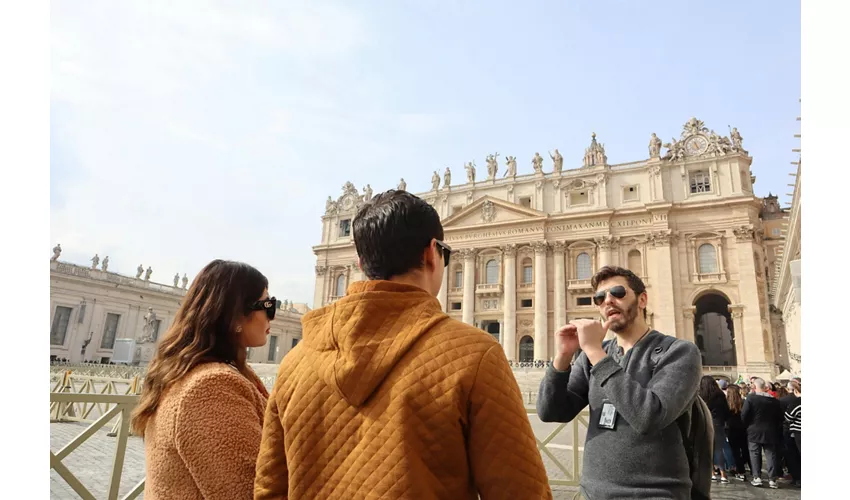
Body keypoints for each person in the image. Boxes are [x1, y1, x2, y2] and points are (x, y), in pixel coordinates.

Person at [254, 190, 551, 499]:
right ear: (431, 253)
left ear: (361, 261)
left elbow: (269, 488)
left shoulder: (295, 362)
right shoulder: (476, 356)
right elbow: (520, 490)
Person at [537, 266, 702, 500]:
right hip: (592, 493)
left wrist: (594, 351)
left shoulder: (679, 352)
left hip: (655, 494)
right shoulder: (593, 356)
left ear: (642, 299)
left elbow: (649, 416)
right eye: (600, 297)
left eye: (617, 292)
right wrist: (562, 358)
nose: (608, 301)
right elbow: (551, 411)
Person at [130, 260, 274, 500]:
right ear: (235, 315)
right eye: (267, 305)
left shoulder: (205, 375)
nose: (273, 316)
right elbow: (250, 492)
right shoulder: (211, 388)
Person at [742, 377, 783, 488]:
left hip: (754, 430)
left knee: (754, 453)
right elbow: (780, 417)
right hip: (770, 430)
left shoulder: (750, 398)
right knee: (771, 455)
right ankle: (772, 479)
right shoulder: (774, 401)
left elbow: (744, 415)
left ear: (754, 387)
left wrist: (748, 425)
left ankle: (757, 477)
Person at [699, 376, 731, 484]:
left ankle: (712, 473)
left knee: (707, 450)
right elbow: (727, 411)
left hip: (705, 423)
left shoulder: (702, 396)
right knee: (719, 449)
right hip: (718, 424)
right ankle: (723, 474)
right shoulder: (720, 395)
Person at [725, 384, 749, 481]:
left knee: (735, 452)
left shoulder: (726, 403)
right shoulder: (743, 402)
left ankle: (740, 471)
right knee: (745, 450)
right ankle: (744, 468)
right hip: (743, 429)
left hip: (731, 429)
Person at [781, 379, 802, 487]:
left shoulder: (797, 402)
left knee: (795, 455)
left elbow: (788, 417)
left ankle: (798, 478)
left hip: (797, 432)